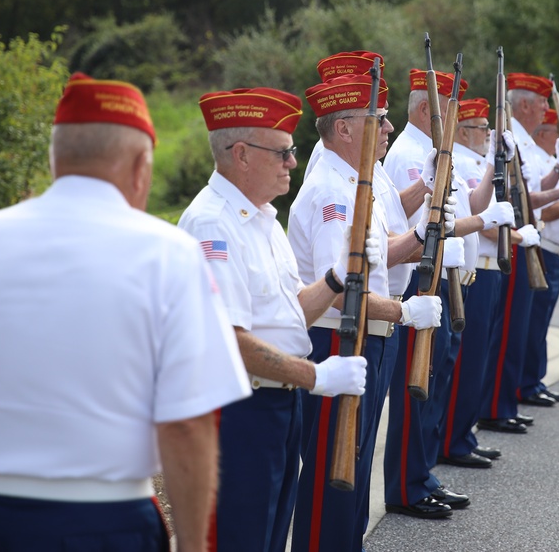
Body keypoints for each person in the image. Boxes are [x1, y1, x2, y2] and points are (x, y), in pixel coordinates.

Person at [0, 73, 252, 552]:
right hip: (106, 522)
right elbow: (186, 425)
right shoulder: (169, 254)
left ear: (57, 160)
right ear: (141, 166)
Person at [176, 87, 370, 552]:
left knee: (267, 536)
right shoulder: (212, 225)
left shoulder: (262, 218)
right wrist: (316, 375)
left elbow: (288, 316)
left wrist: (336, 279)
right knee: (237, 538)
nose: (292, 163)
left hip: (278, 407)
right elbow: (230, 341)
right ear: (241, 155)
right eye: (283, 153)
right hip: (240, 410)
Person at [288, 71, 444, 551]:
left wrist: (423, 236)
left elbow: (377, 257)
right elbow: (338, 290)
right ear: (345, 129)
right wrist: (404, 312)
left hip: (366, 335)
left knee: (353, 466)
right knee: (332, 473)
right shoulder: (336, 192)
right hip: (341, 338)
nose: (390, 126)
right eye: (378, 118)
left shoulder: (361, 183)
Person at [382, 71, 511, 518]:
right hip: (426, 281)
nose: (457, 120)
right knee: (418, 389)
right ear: (427, 111)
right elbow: (412, 227)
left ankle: (423, 475)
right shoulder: (408, 156)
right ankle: (407, 486)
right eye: (450, 109)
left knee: (435, 387)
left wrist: (495, 164)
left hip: (450, 282)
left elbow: (464, 208)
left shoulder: (439, 153)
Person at [478, 73, 559, 435]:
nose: (546, 107)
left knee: (519, 330)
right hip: (516, 242)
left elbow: (529, 193)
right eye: (541, 101)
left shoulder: (522, 139)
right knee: (508, 332)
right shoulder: (510, 137)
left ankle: (505, 402)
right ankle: (496, 406)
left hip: (526, 239)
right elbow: (519, 197)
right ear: (524, 104)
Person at [438, 97, 518, 468]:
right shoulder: (462, 163)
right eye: (483, 128)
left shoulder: (474, 163)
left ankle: (463, 433)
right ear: (466, 130)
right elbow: (479, 218)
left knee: (476, 360)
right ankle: (453, 438)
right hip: (477, 268)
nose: (488, 134)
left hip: (484, 269)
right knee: (465, 362)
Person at [517, 107, 559, 407]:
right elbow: (542, 209)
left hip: (555, 251)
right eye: (556, 134)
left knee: (541, 323)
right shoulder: (540, 161)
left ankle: (535, 380)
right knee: (534, 323)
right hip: (544, 248)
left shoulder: (550, 161)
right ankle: (527, 383)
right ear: (543, 134)